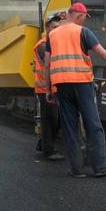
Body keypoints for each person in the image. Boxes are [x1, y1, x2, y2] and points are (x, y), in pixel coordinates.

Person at [44, 2, 106, 178]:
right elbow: (104, 55)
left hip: (61, 86)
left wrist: (48, 88)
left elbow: (47, 65)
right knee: (93, 124)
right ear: (79, 15)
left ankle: (76, 169)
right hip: (81, 83)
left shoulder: (52, 35)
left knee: (70, 127)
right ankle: (100, 167)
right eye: (84, 18)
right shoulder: (83, 32)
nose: (84, 22)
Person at [33, 12, 66, 161]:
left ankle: (43, 143)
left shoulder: (54, 44)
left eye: (59, 27)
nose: (56, 30)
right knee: (50, 119)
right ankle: (49, 150)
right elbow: (51, 64)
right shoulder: (43, 45)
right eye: (53, 27)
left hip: (55, 87)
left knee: (57, 119)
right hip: (45, 88)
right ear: (47, 28)